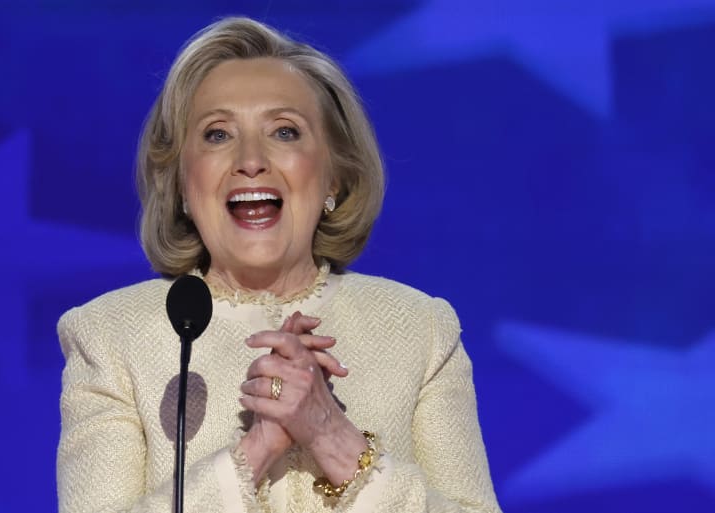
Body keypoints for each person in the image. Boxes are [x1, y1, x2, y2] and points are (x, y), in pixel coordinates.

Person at [56, 16, 502, 513]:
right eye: (218, 134)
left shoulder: (421, 331)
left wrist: (330, 435)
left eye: (284, 131)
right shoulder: (110, 336)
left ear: (334, 176)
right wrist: (255, 450)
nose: (251, 159)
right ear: (182, 184)